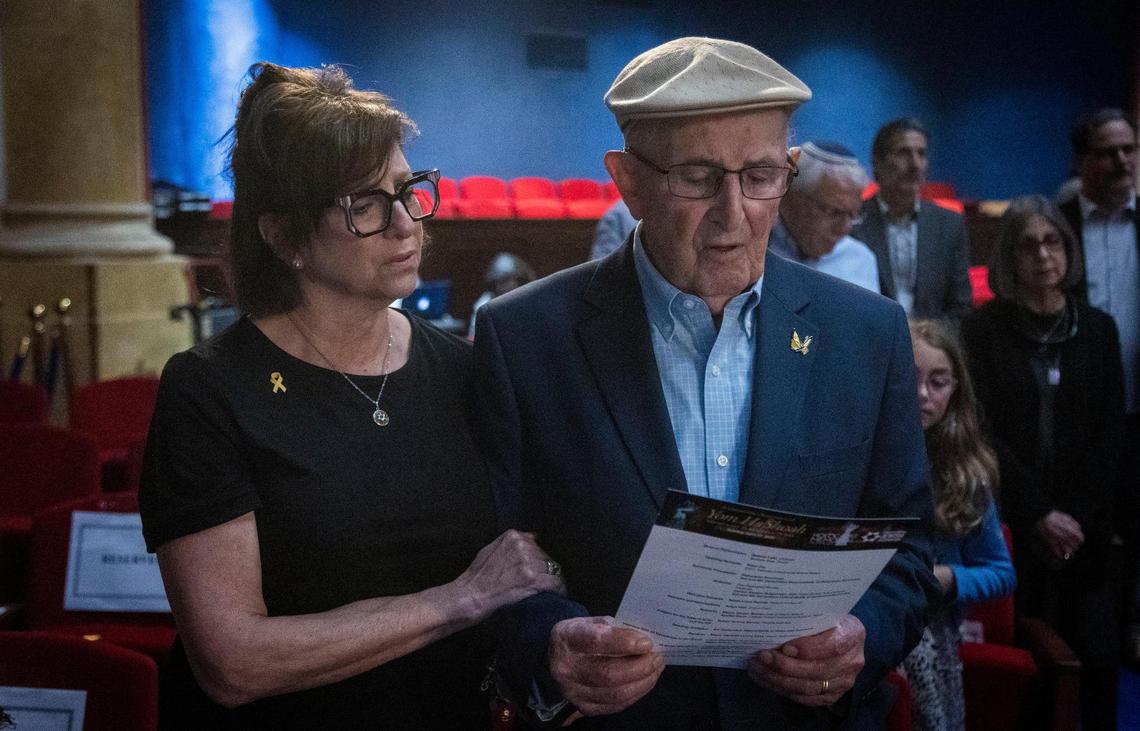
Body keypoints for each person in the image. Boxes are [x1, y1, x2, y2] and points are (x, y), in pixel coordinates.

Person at [474, 37, 939, 729]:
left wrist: (862, 635)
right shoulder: (523, 338)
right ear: (628, 180)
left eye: (760, 175)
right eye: (696, 177)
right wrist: (550, 640)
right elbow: (489, 558)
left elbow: (908, 548)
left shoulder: (867, 336)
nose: (736, 212)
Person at [138, 62, 563, 730]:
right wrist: (458, 599)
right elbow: (232, 661)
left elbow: (526, 566)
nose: (404, 225)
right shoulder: (211, 390)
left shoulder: (465, 368)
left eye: (406, 189)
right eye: (364, 204)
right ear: (282, 236)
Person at [961, 194, 1125, 731]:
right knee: (1030, 670)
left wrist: (1073, 516)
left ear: (1068, 249)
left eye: (1052, 241)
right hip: (1015, 524)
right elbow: (981, 430)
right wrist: (1038, 516)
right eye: (1028, 245)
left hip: (1087, 529)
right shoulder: (982, 332)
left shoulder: (1098, 330)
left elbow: (1109, 433)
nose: (1043, 255)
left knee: (1096, 665)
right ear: (1009, 258)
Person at [904, 319, 1016, 731]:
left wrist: (949, 577)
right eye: (910, 376)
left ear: (956, 391)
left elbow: (1002, 574)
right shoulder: (859, 454)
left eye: (938, 382)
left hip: (933, 632)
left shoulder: (966, 472)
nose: (922, 394)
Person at [1058, 108, 1140, 666]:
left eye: (1129, 150)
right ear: (1082, 162)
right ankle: (1081, 641)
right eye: (1107, 152)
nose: (1121, 162)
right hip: (1074, 412)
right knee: (1086, 523)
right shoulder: (1057, 223)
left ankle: (1133, 624)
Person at [852, 118, 972, 323]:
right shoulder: (852, 221)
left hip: (932, 344)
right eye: (903, 153)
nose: (915, 164)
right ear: (877, 163)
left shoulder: (949, 225)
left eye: (921, 154)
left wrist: (931, 345)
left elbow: (960, 309)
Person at [769, 140, 880, 293]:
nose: (844, 229)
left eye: (853, 214)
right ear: (789, 199)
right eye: (834, 212)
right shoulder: (758, 249)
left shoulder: (860, 259)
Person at [467, 252, 537, 338]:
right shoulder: (484, 304)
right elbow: (474, 338)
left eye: (505, 281)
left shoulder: (532, 299)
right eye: (497, 282)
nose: (500, 287)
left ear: (519, 279)